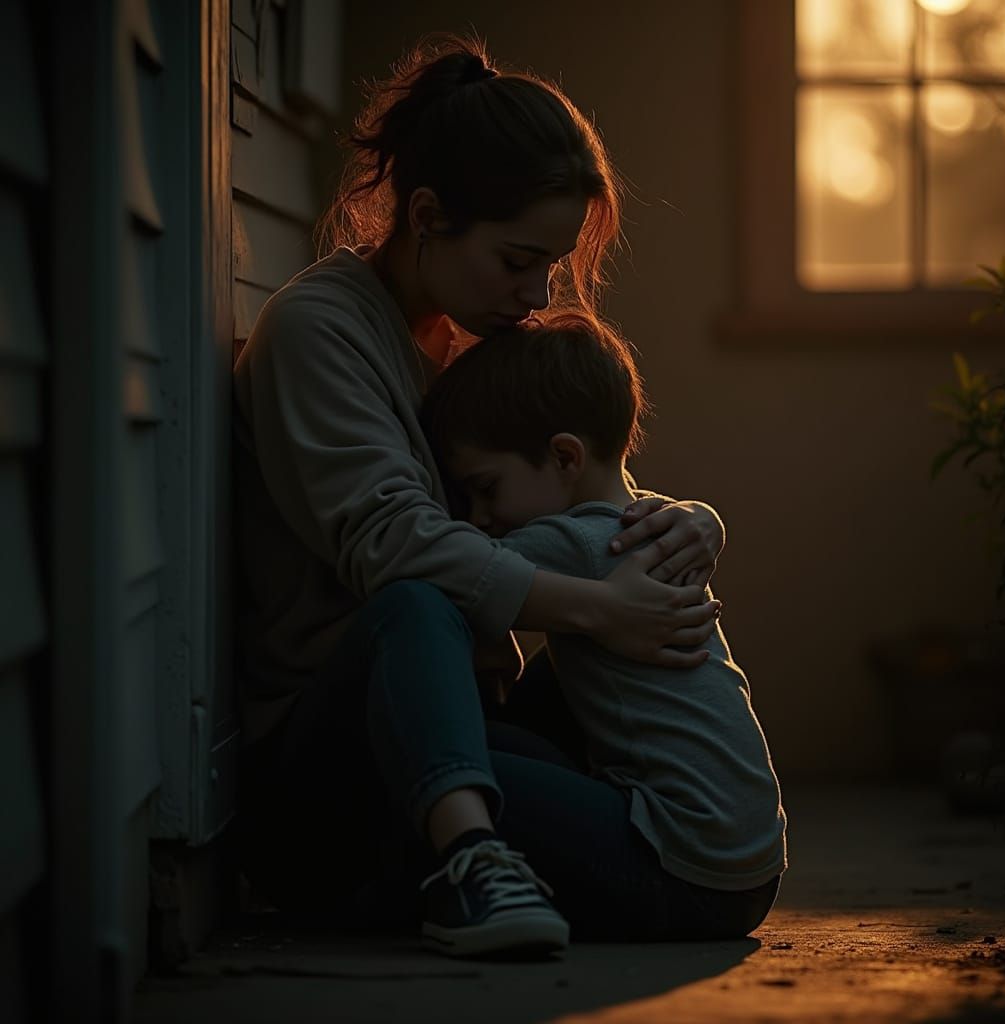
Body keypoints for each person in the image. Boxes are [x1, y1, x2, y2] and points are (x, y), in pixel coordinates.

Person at [233, 34, 728, 959]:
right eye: (516, 258)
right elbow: (393, 544)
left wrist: (685, 524)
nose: (538, 292)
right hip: (331, 770)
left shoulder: (473, 344)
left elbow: (571, 487)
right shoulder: (317, 333)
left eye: (552, 262)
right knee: (412, 602)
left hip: (451, 724)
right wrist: (598, 609)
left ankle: (634, 846)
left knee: (601, 721)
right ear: (426, 215)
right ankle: (469, 867)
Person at [420, 312, 788, 942]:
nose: (480, 518)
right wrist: (705, 515)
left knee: (443, 764)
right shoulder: (646, 520)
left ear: (565, 456)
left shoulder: (571, 542)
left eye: (485, 488)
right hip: (746, 871)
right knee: (489, 740)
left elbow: (444, 573)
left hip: (682, 869)